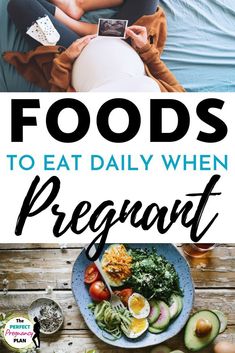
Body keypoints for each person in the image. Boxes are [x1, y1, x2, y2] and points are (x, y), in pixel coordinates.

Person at [5, 0, 185, 92]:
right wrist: (145, 48)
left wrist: (68, 58)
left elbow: (58, 91)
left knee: (20, 4)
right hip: (127, 40)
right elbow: (171, 84)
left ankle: (77, 24)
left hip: (72, 52)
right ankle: (78, 7)